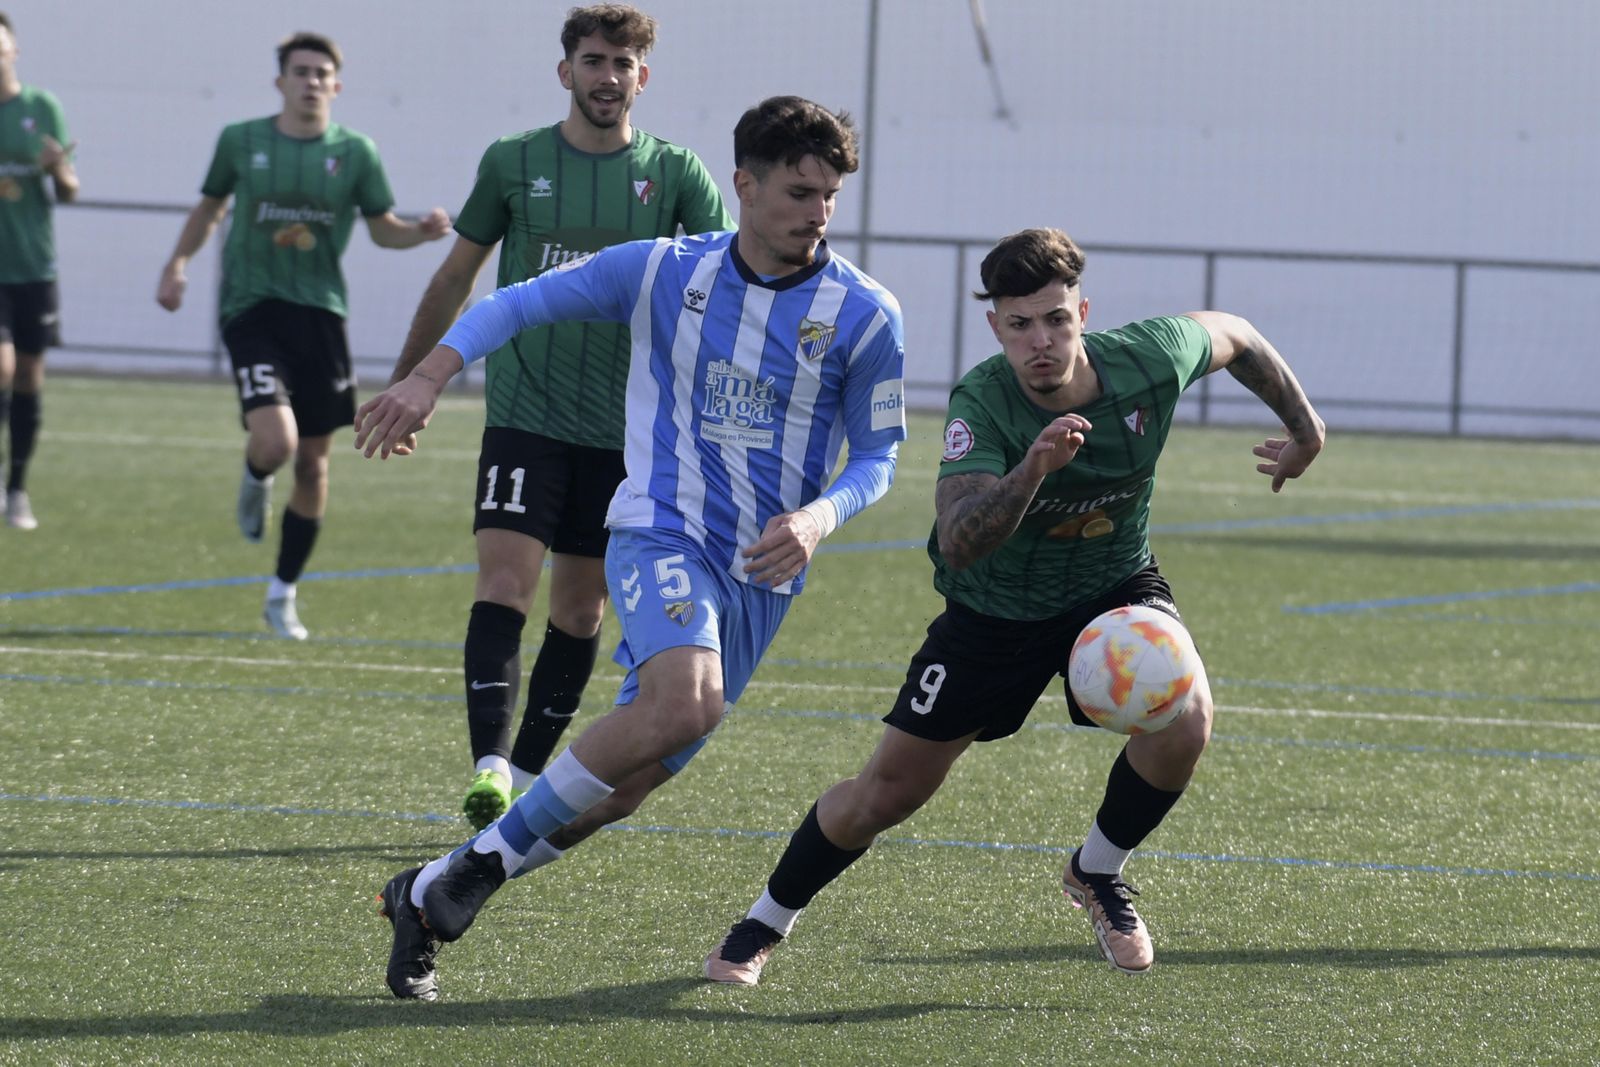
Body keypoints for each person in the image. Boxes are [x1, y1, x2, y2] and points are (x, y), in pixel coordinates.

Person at [358, 94, 907, 1002]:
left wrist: (819, 517)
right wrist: (427, 375)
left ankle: (426, 888)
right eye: (800, 190)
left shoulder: (864, 313)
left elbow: (881, 454)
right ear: (745, 184)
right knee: (685, 703)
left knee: (620, 788)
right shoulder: (663, 271)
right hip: (662, 526)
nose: (818, 212)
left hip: (762, 575)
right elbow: (518, 303)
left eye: (831, 195)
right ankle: (473, 874)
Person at [703, 226, 1327, 985]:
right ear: (996, 325)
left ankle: (1096, 872)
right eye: (1021, 323)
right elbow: (961, 540)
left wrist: (1305, 429)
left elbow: (1238, 334)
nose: (1042, 341)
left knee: (1187, 715)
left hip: (1113, 587)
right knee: (887, 792)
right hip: (995, 613)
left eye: (1057, 319)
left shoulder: (1149, 360)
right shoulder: (984, 402)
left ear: (1083, 313)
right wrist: (1034, 466)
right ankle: (765, 919)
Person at [382, 4, 734, 832]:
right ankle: (490, 767)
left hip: (625, 433)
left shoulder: (677, 173)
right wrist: (410, 380)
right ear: (565, 70)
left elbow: (726, 287)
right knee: (505, 580)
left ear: (643, 77)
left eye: (622, 63)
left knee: (580, 611)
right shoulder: (514, 163)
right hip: (525, 412)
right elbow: (455, 277)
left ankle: (530, 772)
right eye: (593, 60)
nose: (607, 77)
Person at [155, 31, 451, 639]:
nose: (311, 81)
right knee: (276, 442)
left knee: (316, 467)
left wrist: (419, 232)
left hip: (321, 315)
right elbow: (209, 209)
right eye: (301, 71)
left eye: (322, 73)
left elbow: (382, 229)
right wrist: (177, 264)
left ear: (336, 86)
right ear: (280, 81)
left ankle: (282, 592)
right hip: (253, 309)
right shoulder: (241, 141)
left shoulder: (356, 152)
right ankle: (256, 472)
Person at [0, 11, 77, 531]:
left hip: (34, 266)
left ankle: (17, 488)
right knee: (1, 367)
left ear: (14, 51)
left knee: (28, 375)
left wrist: (58, 170)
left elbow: (70, 190)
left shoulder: (41, 107)